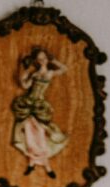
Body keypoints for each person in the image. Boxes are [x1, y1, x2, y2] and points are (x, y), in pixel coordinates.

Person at [11, 47, 69, 178]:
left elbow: (64, 69)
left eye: (44, 58)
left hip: (39, 106)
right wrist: (23, 76)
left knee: (41, 134)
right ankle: (32, 163)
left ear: (47, 58)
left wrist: (54, 60)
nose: (42, 61)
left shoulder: (49, 73)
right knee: (30, 135)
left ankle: (47, 165)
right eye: (39, 59)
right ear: (36, 61)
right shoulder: (35, 74)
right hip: (28, 103)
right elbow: (25, 86)